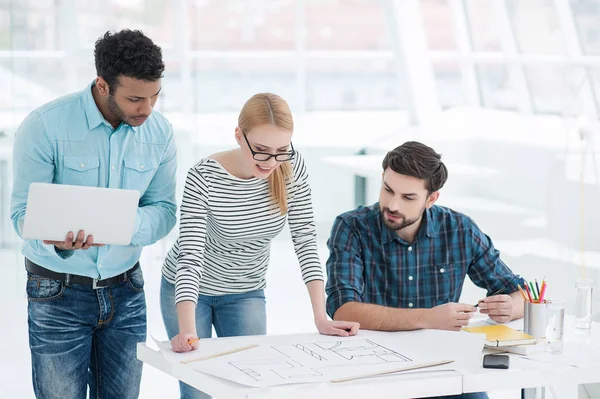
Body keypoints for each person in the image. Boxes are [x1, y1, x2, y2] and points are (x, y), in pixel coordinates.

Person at [10, 29, 176, 398]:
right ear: (102, 85)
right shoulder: (45, 126)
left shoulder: (160, 133)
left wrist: (122, 225)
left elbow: (165, 210)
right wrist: (55, 237)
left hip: (127, 290)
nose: (147, 109)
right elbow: (22, 214)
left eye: (155, 97)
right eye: (135, 99)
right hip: (57, 292)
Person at [161, 92, 359, 398]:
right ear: (239, 136)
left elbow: (305, 239)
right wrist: (187, 329)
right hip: (191, 291)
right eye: (262, 151)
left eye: (282, 150)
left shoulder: (291, 166)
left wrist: (321, 316)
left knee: (251, 385)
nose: (272, 162)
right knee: (198, 389)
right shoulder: (204, 176)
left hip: (246, 290)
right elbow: (190, 255)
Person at [325, 141, 526, 399]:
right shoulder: (351, 227)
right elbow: (343, 309)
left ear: (431, 199)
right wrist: (428, 319)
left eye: (408, 197)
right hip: (375, 370)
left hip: (446, 369)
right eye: (388, 190)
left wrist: (510, 307)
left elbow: (521, 293)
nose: (393, 204)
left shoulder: (460, 229)